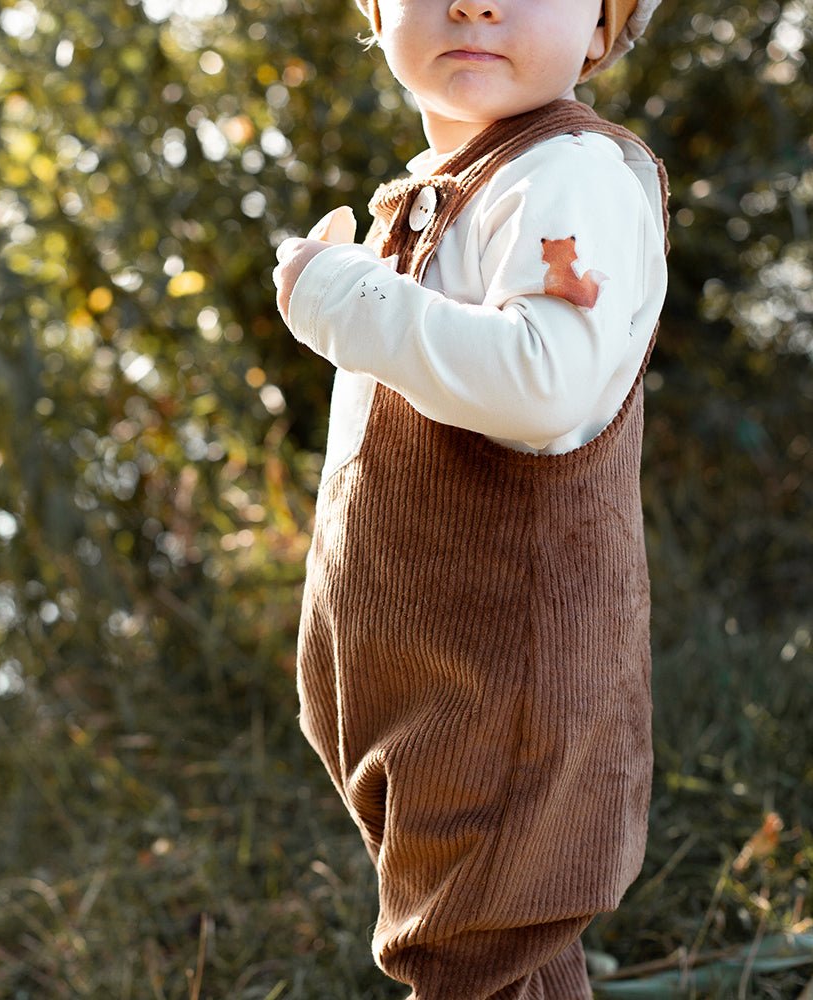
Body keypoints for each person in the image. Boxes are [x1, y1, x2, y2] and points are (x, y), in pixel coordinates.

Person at [272, 1, 668, 997]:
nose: (475, 1)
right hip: (433, 689)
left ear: (598, 26)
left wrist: (346, 300)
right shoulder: (462, 183)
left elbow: (541, 385)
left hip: (508, 694)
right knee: (475, 961)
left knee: (483, 964)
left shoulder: (570, 176)